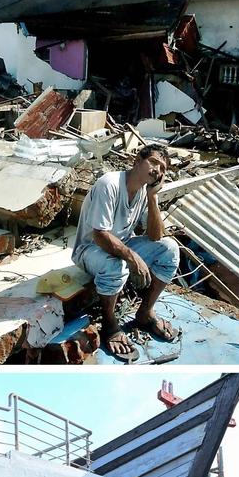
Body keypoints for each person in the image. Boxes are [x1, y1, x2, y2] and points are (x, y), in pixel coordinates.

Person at [72, 144, 180, 361]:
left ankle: (145, 312)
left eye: (162, 168)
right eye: (154, 162)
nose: (157, 170)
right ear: (137, 160)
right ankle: (110, 325)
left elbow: (156, 236)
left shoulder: (142, 191)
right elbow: (100, 235)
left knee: (170, 249)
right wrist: (132, 257)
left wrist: (152, 198)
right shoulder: (109, 184)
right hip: (89, 250)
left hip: (121, 244)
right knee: (116, 265)